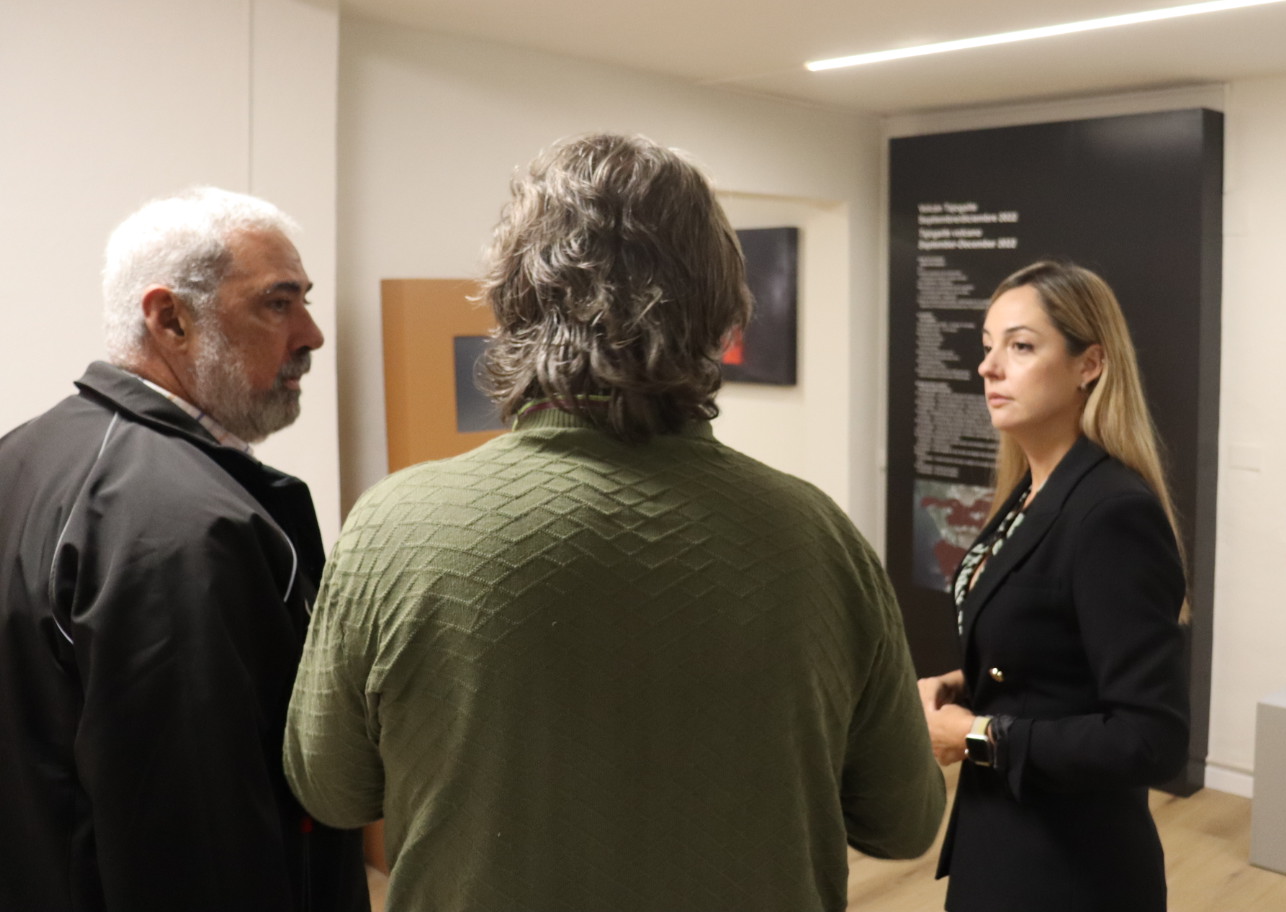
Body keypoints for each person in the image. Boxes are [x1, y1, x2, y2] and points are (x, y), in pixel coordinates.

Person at [283, 132, 944, 912]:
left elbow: (330, 787)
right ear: (723, 314)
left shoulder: (397, 525)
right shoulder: (819, 538)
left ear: (513, 302)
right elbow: (904, 823)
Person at [0, 189, 368, 912]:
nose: (313, 335)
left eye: (306, 301)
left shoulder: (23, 456)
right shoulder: (182, 525)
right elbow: (200, 835)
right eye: (278, 303)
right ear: (170, 319)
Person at [918, 260, 1190, 911]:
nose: (988, 367)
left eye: (1020, 345)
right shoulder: (1029, 493)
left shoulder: (1112, 511)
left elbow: (1150, 739)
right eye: (987, 346)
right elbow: (1051, 649)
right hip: (1005, 837)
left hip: (1070, 869)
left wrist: (978, 733)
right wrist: (968, 682)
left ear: (1088, 364)